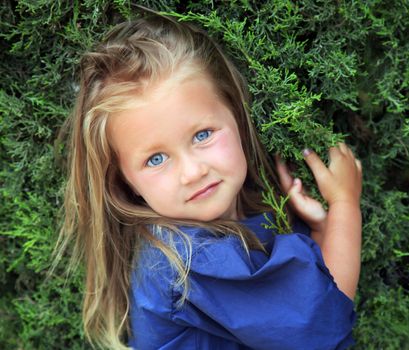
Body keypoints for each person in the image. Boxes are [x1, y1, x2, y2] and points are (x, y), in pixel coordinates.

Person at [56, 15, 362, 350]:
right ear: (126, 181)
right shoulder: (189, 261)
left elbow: (307, 294)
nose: (192, 172)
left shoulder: (220, 222)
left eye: (202, 135)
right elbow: (321, 320)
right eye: (155, 159)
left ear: (235, 110)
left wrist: (319, 232)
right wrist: (345, 205)